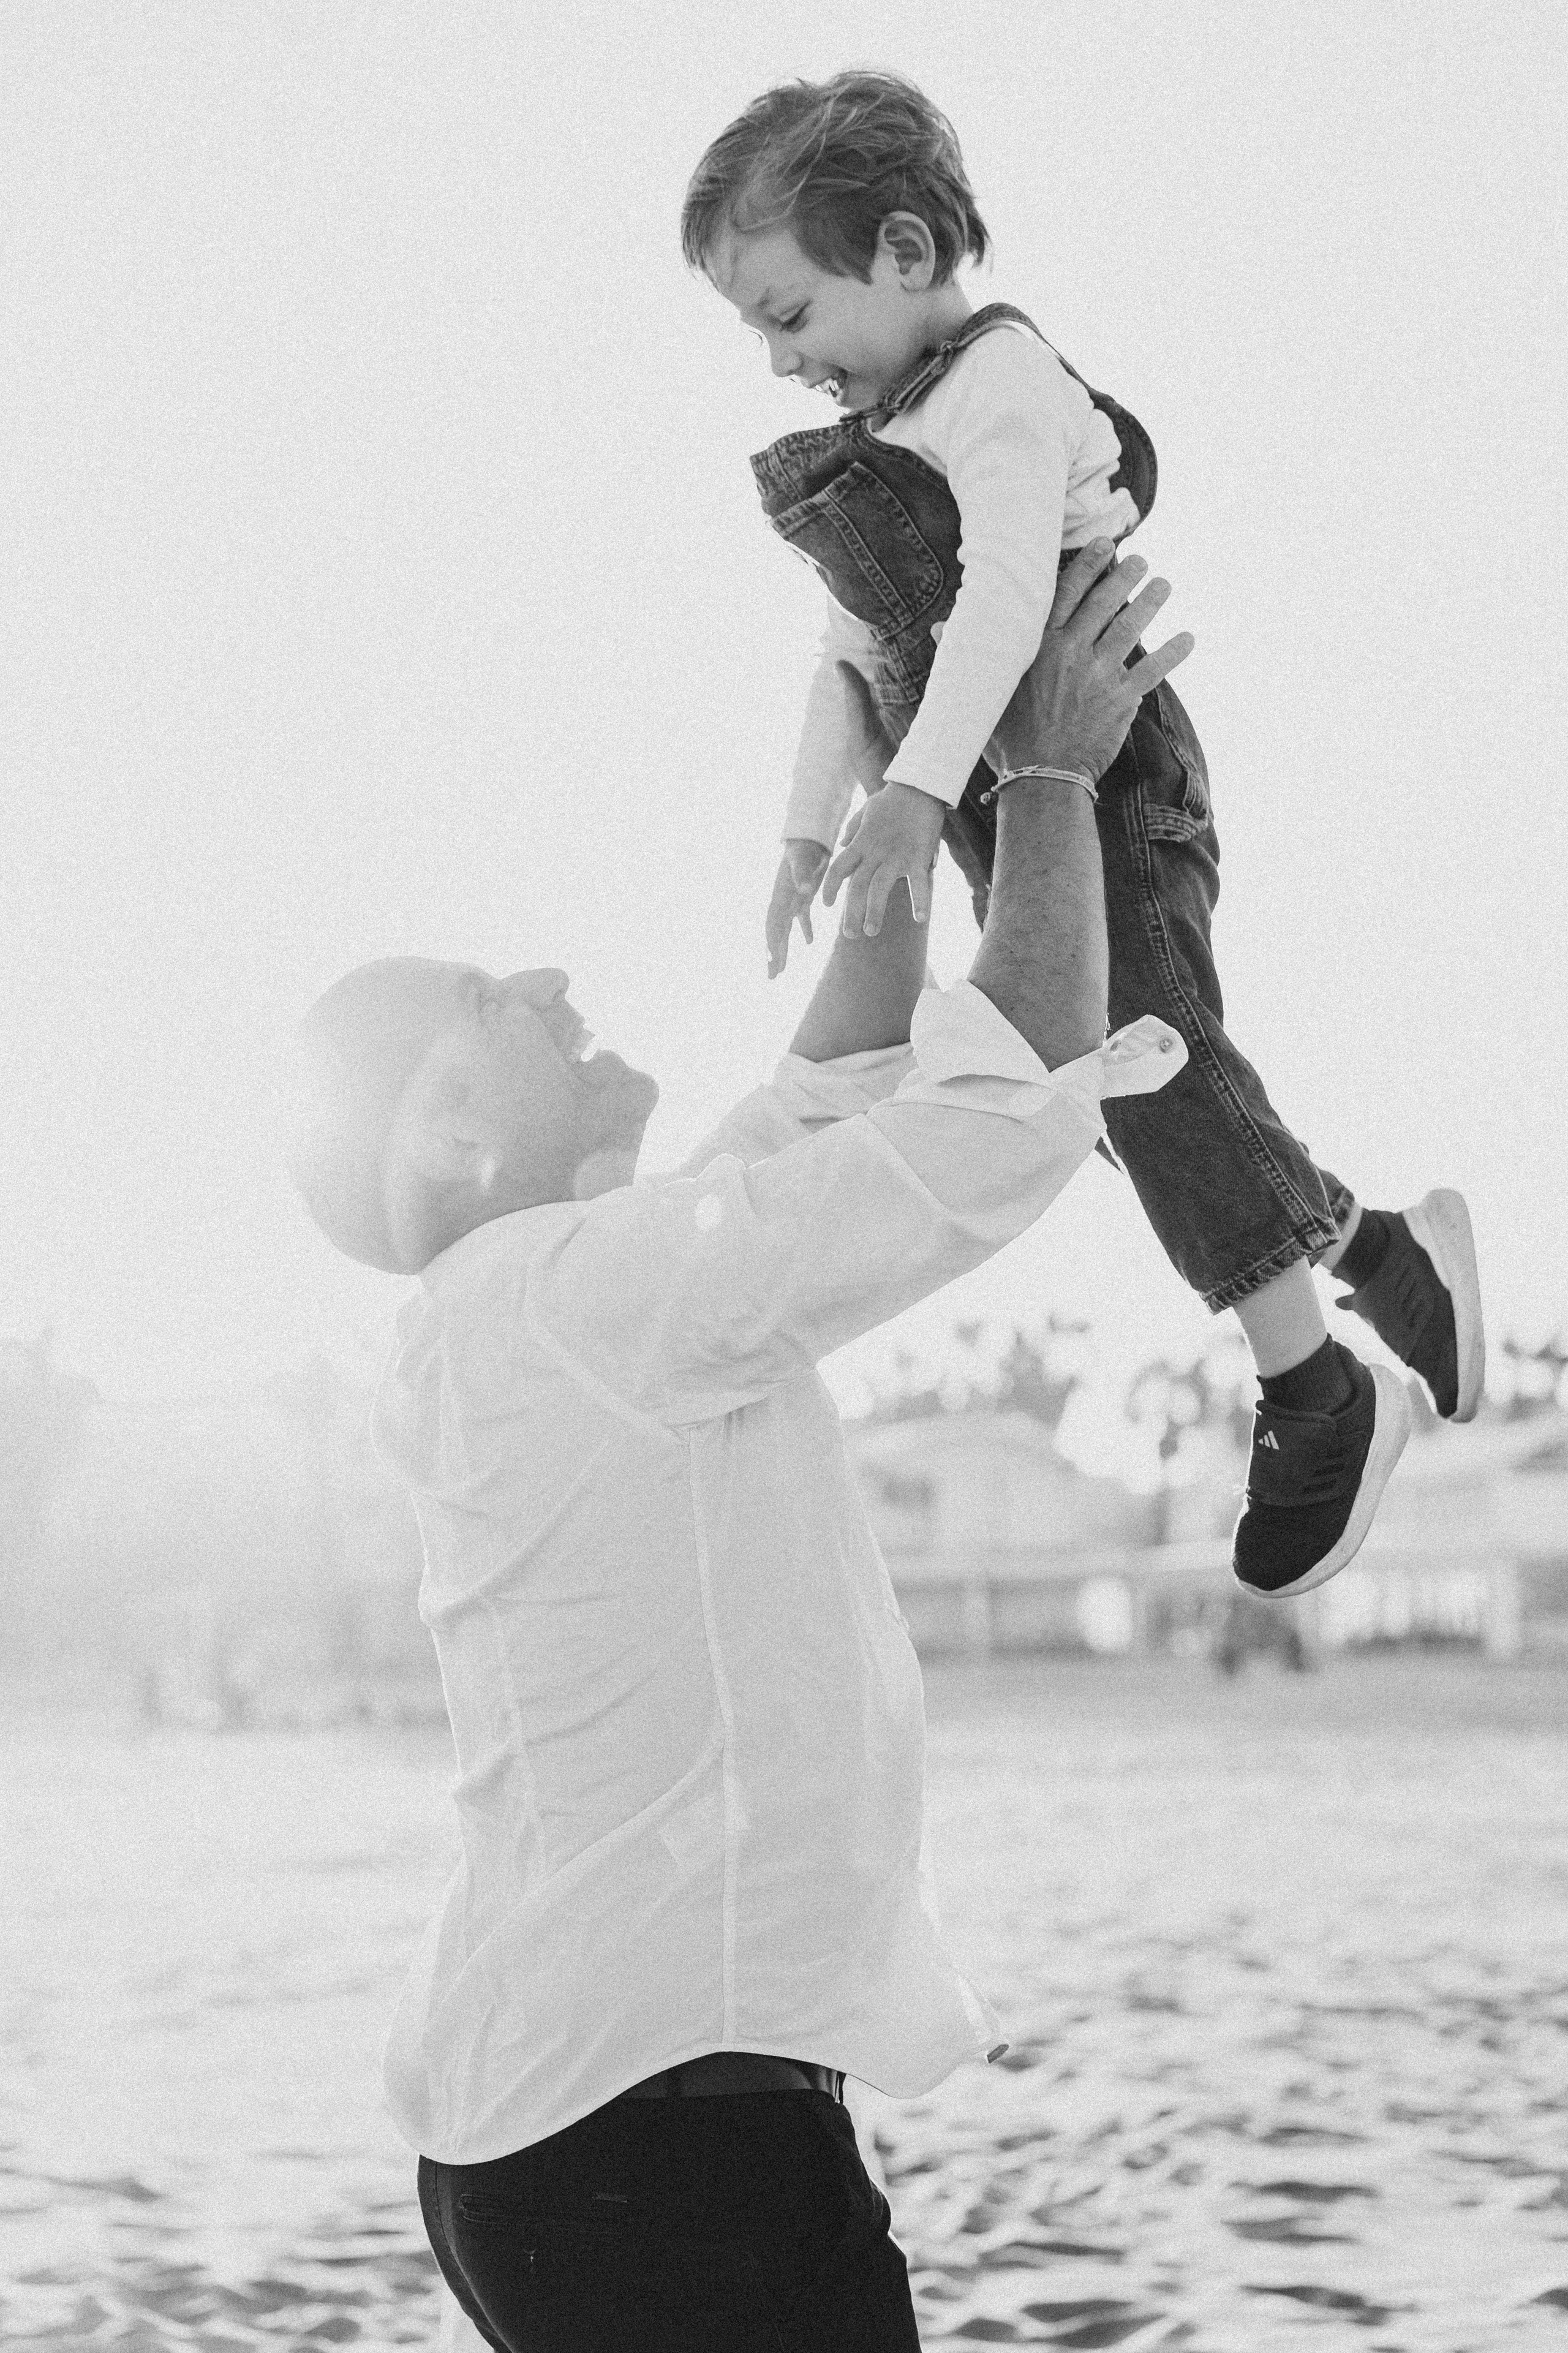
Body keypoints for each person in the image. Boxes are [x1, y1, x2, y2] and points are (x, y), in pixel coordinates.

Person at [287, 546, 1188, 2351]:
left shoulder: (535, 1310)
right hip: (659, 2151)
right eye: (491, 997)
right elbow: (980, 1138)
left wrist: (900, 792)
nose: (545, 976)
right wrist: (1051, 775)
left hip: (573, 2135)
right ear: (458, 1138)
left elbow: (830, 1093)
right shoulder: (572, 1304)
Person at [680, 67, 1485, 1599]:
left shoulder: (998, 390)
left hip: (1100, 768)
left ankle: (1320, 1389)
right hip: (995, 793)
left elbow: (997, 607)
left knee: (1145, 1067)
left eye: (787, 315)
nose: (778, 360)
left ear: (905, 255)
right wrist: (808, 829)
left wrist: (914, 794)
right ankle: (1383, 1260)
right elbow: (850, 649)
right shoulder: (889, 422)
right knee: (1123, 1089)